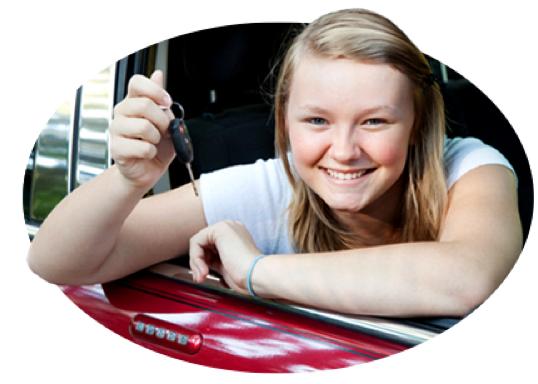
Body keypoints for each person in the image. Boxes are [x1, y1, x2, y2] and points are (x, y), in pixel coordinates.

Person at [27, 9, 522, 317]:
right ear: (285, 123)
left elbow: (465, 279)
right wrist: (128, 181)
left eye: (374, 122)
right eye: (317, 121)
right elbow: (53, 263)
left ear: (418, 123)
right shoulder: (271, 187)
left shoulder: (470, 168)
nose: (344, 150)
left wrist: (256, 271)